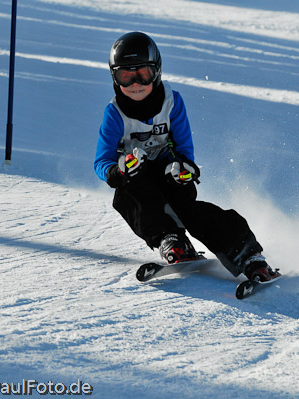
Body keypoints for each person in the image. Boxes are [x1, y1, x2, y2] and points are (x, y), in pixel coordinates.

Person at [94, 31, 279, 282]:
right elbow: (101, 161)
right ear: (114, 78)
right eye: (125, 76)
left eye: (143, 74)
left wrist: (185, 167)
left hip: (171, 174)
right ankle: (171, 240)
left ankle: (247, 255)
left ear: (156, 71)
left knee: (193, 212)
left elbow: (184, 146)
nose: (135, 83)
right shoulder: (114, 113)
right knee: (129, 196)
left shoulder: (172, 102)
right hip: (135, 179)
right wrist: (119, 170)